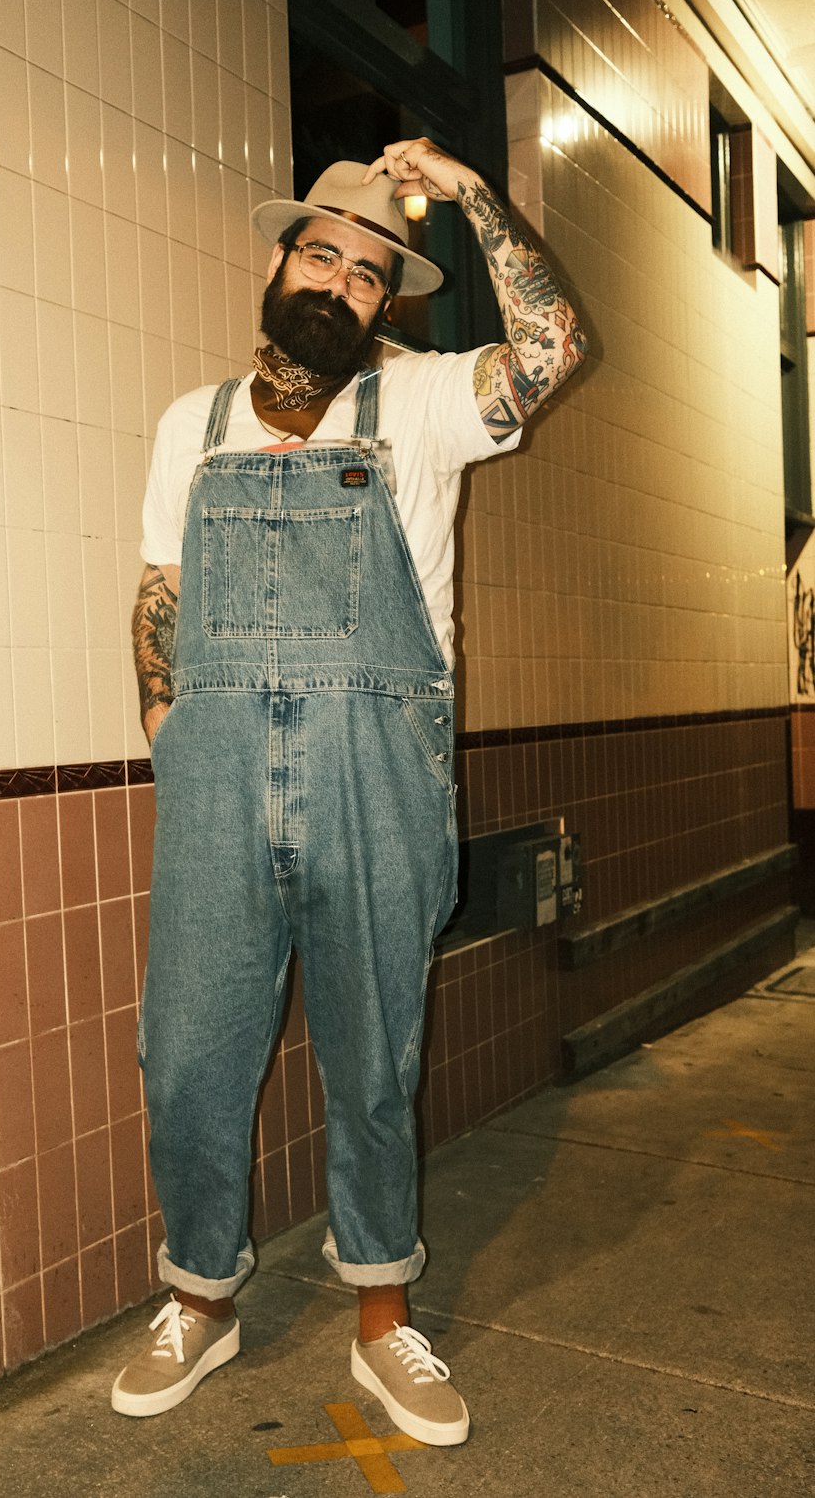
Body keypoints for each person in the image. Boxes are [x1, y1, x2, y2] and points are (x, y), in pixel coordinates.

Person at [113, 138, 586, 1446]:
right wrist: (171, 733)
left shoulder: (425, 406)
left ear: (388, 303)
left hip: (375, 769)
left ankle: (385, 1319)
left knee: (375, 1058)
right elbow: (159, 592)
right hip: (212, 775)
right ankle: (201, 1295)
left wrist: (479, 194)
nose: (339, 281)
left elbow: (550, 350)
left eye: (370, 273)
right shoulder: (189, 424)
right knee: (188, 1057)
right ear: (278, 262)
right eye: (320, 253)